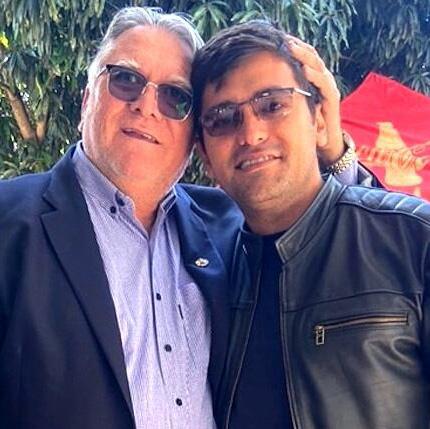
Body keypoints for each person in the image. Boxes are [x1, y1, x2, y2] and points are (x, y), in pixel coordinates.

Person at [0, 7, 371, 429]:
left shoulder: (230, 227)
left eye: (174, 97)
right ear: (88, 99)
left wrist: (334, 154)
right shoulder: (10, 224)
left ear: (195, 137)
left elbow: (341, 268)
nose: (146, 106)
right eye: (126, 79)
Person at [192, 20, 430, 429]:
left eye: (272, 105)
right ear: (205, 156)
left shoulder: (413, 241)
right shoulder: (205, 273)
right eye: (223, 118)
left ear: (319, 120)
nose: (251, 133)